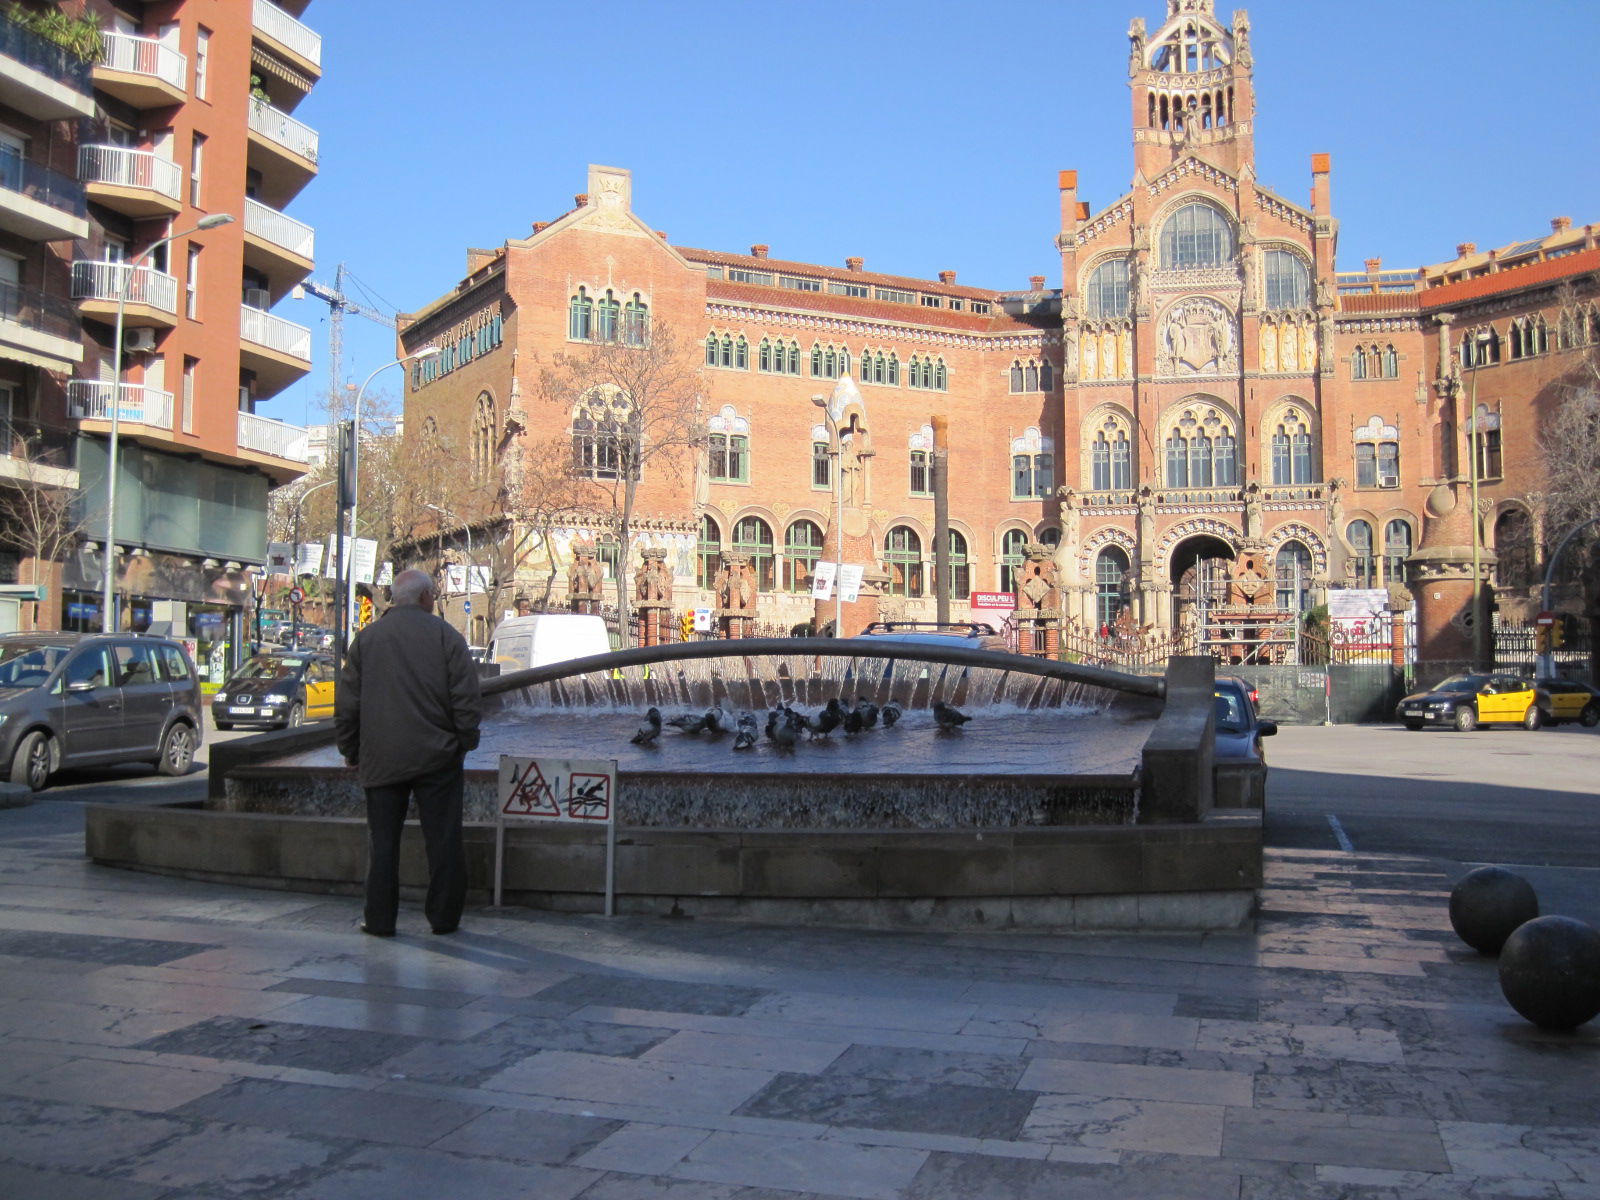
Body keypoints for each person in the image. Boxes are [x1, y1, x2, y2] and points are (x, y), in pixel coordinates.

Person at [336, 568, 482, 937]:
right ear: (425, 598)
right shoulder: (447, 638)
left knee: (382, 843)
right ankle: (444, 918)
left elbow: (348, 705)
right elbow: (466, 699)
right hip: (438, 758)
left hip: (381, 757)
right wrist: (464, 743)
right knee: (444, 841)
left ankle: (380, 919)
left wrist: (350, 750)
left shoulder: (366, 641)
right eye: (433, 595)